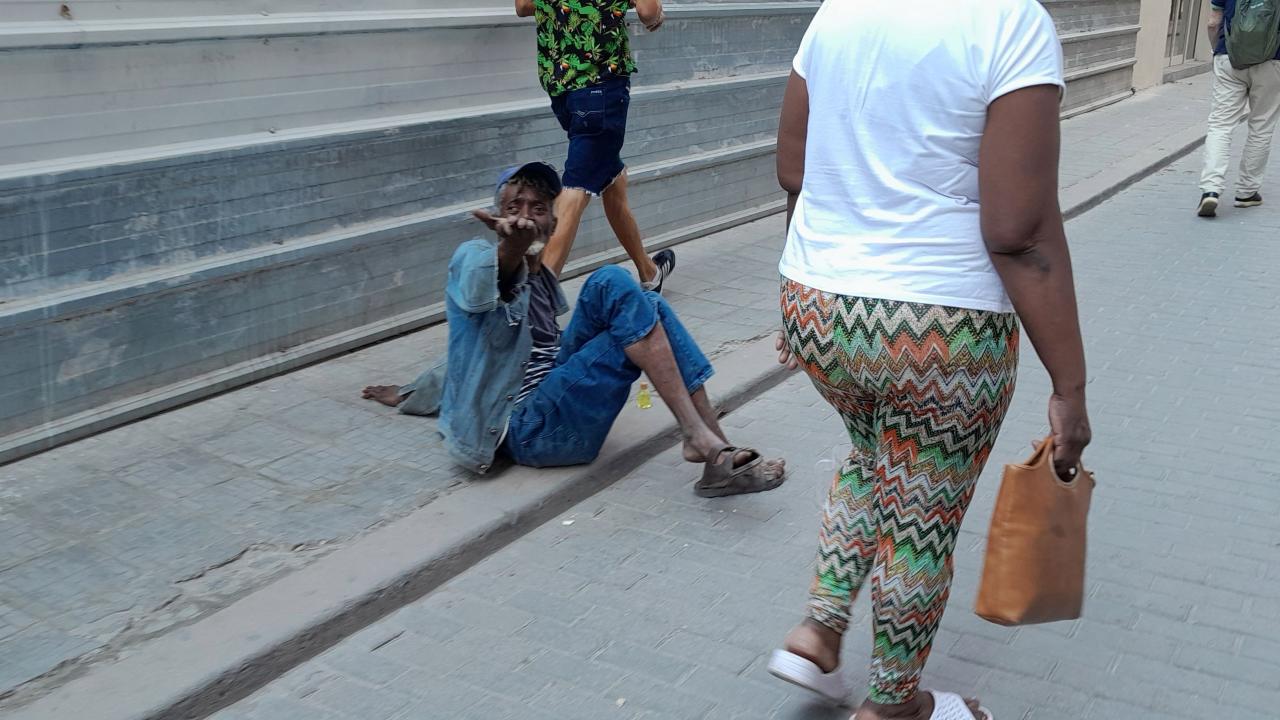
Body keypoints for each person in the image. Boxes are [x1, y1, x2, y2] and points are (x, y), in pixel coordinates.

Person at [764, 1, 1092, 718]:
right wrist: (1071, 385)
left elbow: (794, 167)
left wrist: (798, 287)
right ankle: (892, 705)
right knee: (922, 519)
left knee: (869, 457)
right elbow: (1019, 231)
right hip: (941, 326)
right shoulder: (1010, 20)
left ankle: (818, 632)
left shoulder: (839, 11)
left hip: (821, 303)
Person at [362, 162, 785, 496]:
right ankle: (705, 442)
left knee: (627, 289)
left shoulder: (543, 282)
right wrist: (509, 248)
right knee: (631, 299)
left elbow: (459, 360)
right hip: (531, 433)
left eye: (538, 209)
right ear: (497, 218)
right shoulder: (473, 257)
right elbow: (479, 293)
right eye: (514, 208)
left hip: (555, 401)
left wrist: (410, 392)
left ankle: (711, 444)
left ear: (553, 224)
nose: (525, 218)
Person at [513, 0, 677, 292]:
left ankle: (648, 271)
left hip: (562, 89)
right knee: (576, 188)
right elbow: (647, 12)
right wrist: (658, 14)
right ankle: (538, 309)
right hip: (601, 87)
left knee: (611, 176)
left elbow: (523, 6)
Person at [1197, 0, 1280, 218]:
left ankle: (1211, 188)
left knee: (1220, 125)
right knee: (1262, 126)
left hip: (1229, 58)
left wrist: (1217, 51)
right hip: (1273, 60)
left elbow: (1213, 22)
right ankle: (1246, 192)